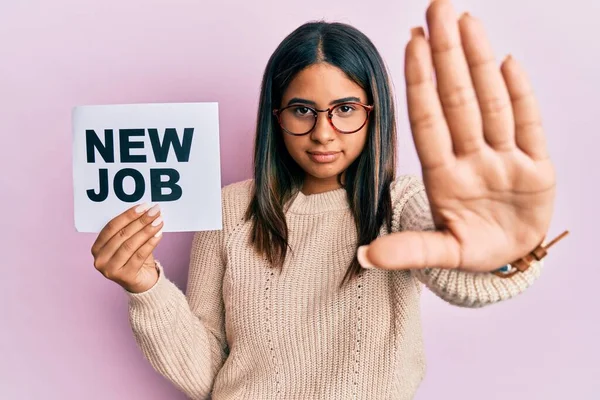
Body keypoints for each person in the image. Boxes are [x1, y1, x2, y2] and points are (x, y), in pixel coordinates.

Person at [90, 0, 560, 398]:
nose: (322, 133)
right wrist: (145, 287)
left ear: (374, 113)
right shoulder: (230, 208)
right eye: (302, 110)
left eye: (345, 110)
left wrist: (504, 256)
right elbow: (206, 372)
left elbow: (458, 275)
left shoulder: (402, 202)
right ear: (276, 115)